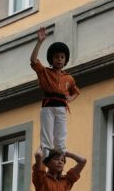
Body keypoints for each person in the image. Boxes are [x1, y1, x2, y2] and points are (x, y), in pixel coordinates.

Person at [30, 27, 80, 158]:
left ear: (65, 60)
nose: (59, 59)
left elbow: (76, 92)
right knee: (46, 137)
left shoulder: (69, 77)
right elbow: (33, 61)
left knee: (61, 137)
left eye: (62, 57)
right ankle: (47, 161)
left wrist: (70, 99)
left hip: (61, 107)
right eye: (56, 57)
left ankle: (60, 162)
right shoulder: (44, 72)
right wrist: (39, 42)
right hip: (48, 107)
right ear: (51, 59)